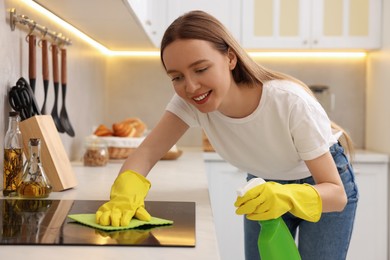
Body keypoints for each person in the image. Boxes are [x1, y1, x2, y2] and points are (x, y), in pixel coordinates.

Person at [96, 10, 358, 260]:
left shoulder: (289, 101)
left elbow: (336, 195)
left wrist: (287, 196)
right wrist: (123, 195)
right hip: (262, 185)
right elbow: (147, 152)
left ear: (230, 58)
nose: (190, 86)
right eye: (176, 77)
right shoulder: (189, 102)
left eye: (200, 69)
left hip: (319, 186)